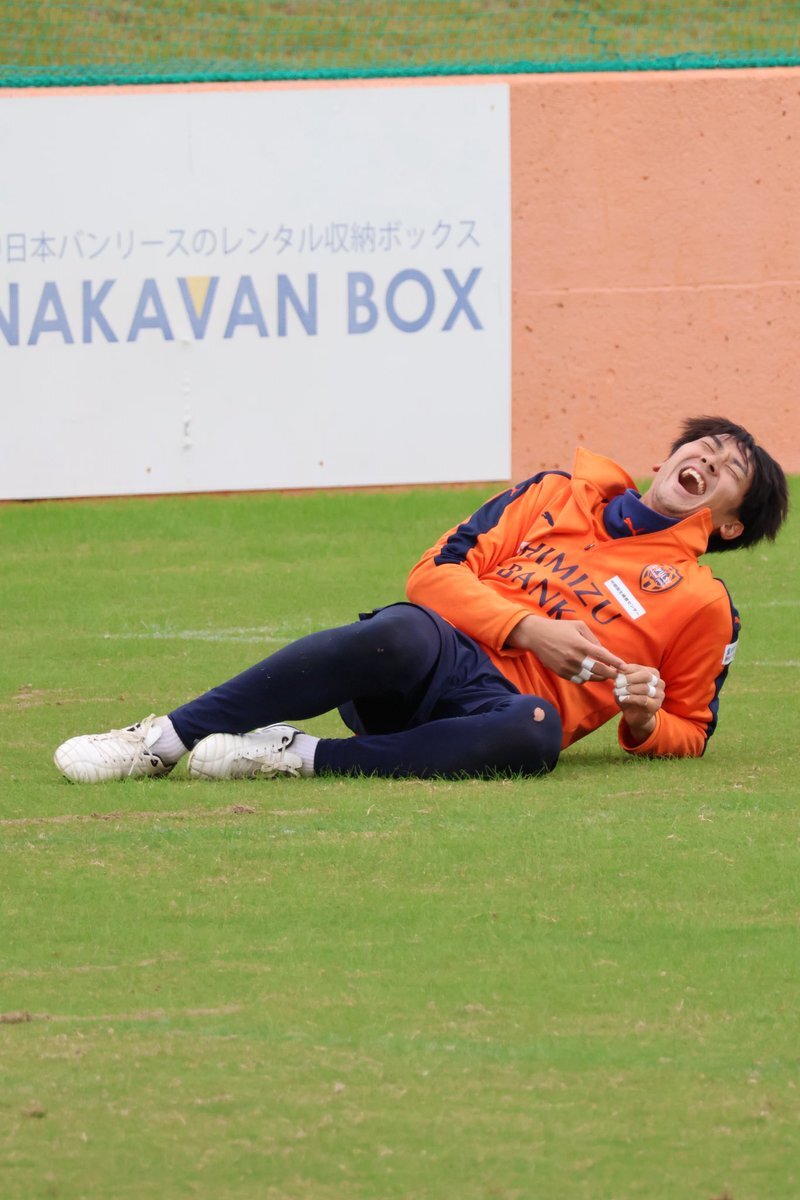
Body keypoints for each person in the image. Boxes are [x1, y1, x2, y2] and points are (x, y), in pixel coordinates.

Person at [54, 415, 788, 785]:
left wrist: (643, 718)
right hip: (428, 666)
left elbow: (691, 727)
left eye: (730, 469)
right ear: (668, 457)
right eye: (705, 446)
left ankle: (293, 755)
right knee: (404, 628)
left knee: (535, 732)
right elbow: (433, 574)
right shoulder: (553, 493)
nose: (709, 458)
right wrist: (528, 628)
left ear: (729, 524)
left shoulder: (702, 603)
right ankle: (161, 740)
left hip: (498, 718)